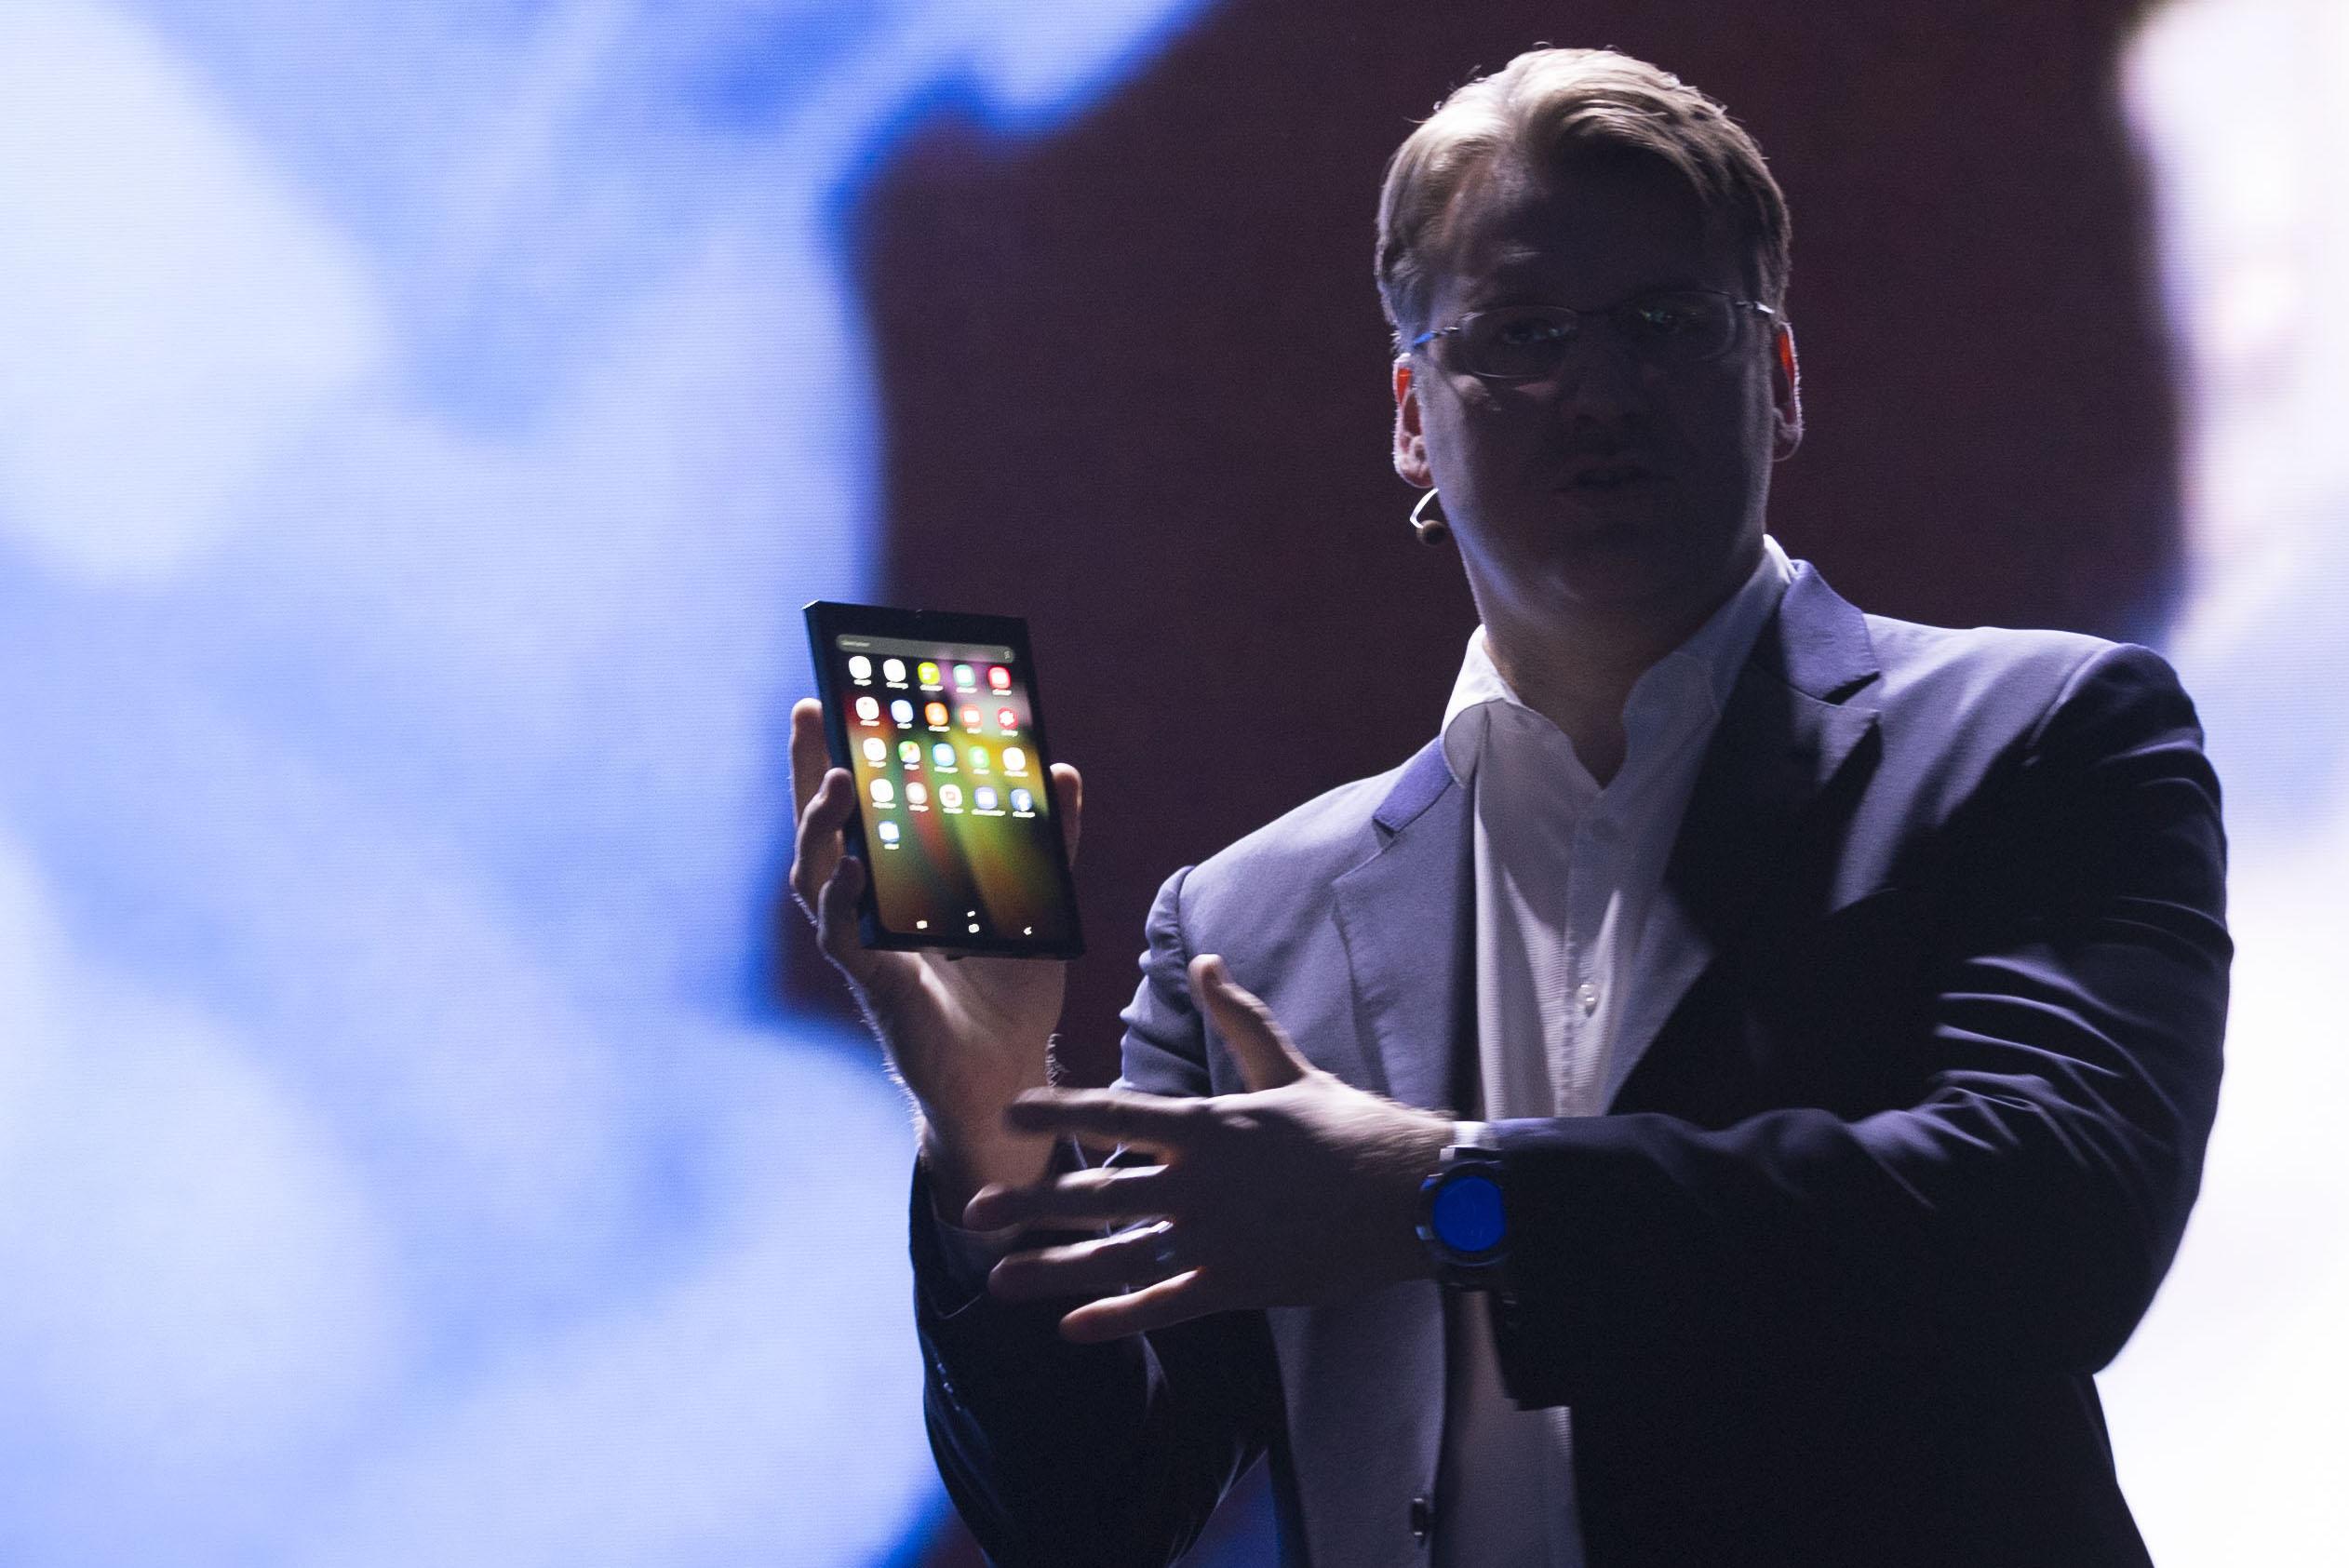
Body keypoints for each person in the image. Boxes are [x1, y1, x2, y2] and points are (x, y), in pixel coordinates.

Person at [788, 46, 2228, 1568]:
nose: (1597, 390)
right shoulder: (1246, 923)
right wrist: (986, 1126)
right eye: (1520, 335)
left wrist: (1441, 1194)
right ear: (1413, 414)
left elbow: (2055, 1231)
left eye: (1666, 322)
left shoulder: (2036, 734)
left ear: (1780, 378)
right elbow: (1097, 1513)